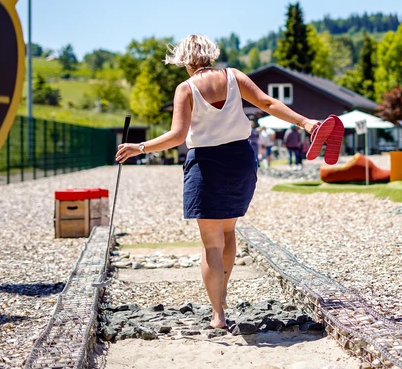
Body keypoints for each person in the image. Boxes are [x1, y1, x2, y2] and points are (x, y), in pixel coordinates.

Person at [115, 35, 320, 330]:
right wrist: (306, 122)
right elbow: (267, 102)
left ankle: (217, 314)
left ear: (184, 60)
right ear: (211, 54)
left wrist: (140, 147)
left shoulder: (186, 89)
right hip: (240, 160)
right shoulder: (234, 76)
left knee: (211, 243)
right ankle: (222, 294)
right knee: (228, 230)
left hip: (206, 164)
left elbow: (177, 136)